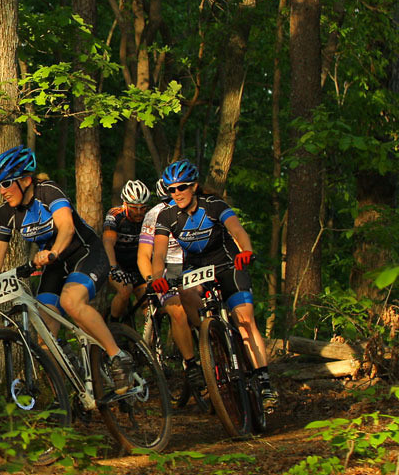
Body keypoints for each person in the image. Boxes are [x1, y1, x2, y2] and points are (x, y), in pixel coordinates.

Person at [0, 146, 135, 393]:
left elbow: (66, 227)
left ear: (25, 179)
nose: (2, 191)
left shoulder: (48, 191)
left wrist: (53, 252)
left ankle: (119, 357)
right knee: (45, 338)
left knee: (72, 301)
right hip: (54, 266)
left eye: (6, 183)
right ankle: (68, 395)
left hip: (85, 253)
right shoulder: (6, 213)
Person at [147, 160, 277, 409]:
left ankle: (264, 381)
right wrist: (157, 277)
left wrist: (246, 250)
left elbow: (237, 230)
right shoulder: (167, 215)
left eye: (182, 187)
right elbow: (159, 254)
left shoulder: (214, 205)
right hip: (196, 270)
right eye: (171, 189)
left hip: (228, 265)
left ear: (194, 186)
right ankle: (210, 340)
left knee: (245, 320)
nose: (177, 193)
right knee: (183, 292)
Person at [138, 179, 203, 390]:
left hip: (194, 262)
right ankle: (192, 365)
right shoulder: (154, 215)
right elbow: (144, 255)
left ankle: (214, 342)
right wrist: (152, 280)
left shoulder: (199, 206)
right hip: (168, 266)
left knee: (206, 303)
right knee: (177, 311)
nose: (173, 203)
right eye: (167, 199)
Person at [103, 180, 150, 322]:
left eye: (143, 208)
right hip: (117, 262)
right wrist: (113, 268)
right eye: (134, 208)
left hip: (137, 263)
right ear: (125, 204)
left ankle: (150, 339)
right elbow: (108, 241)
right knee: (125, 290)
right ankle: (114, 325)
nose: (139, 212)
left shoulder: (149, 217)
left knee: (150, 301)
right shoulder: (115, 215)